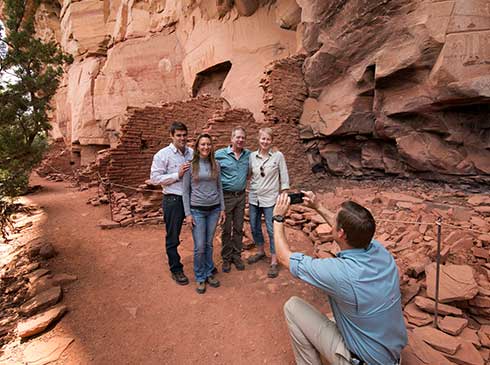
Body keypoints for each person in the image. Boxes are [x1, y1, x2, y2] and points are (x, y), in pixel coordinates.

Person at [273, 192, 407, 365]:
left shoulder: (340, 273)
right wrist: (318, 207)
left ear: (341, 233)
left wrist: (277, 218)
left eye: (334, 221)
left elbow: (284, 257)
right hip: (391, 356)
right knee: (332, 316)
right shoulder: (381, 252)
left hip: (363, 361)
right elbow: (350, 230)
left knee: (292, 307)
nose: (332, 223)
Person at [150, 121, 192, 286]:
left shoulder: (192, 153)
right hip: (173, 199)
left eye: (184, 135)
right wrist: (177, 175)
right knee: (173, 236)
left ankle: (203, 265)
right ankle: (176, 268)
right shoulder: (163, 155)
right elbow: (155, 179)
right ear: (172, 136)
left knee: (198, 232)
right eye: (178, 135)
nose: (182, 138)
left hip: (191, 199)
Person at [183, 134, 226, 294]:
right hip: (197, 210)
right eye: (202, 144)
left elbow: (220, 188)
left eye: (208, 144)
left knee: (208, 244)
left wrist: (222, 208)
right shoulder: (190, 165)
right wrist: (188, 213)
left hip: (214, 209)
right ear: (197, 147)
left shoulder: (216, 164)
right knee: (199, 246)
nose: (206, 147)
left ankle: (208, 272)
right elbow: (185, 192)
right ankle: (200, 276)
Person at [246, 128, 289, 278]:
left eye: (268, 139)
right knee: (254, 225)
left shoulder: (278, 156)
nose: (265, 142)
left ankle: (274, 260)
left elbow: (284, 176)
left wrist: (284, 193)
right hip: (254, 198)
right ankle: (260, 251)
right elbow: (248, 174)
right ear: (258, 139)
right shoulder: (252, 156)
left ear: (272, 141)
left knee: (272, 229)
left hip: (270, 199)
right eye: (263, 139)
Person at [215, 126, 251, 273]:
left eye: (243, 137)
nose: (240, 140)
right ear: (231, 139)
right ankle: (226, 258)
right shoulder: (219, 155)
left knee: (238, 227)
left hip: (241, 196)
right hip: (226, 197)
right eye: (238, 137)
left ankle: (236, 256)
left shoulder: (248, 155)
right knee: (225, 228)